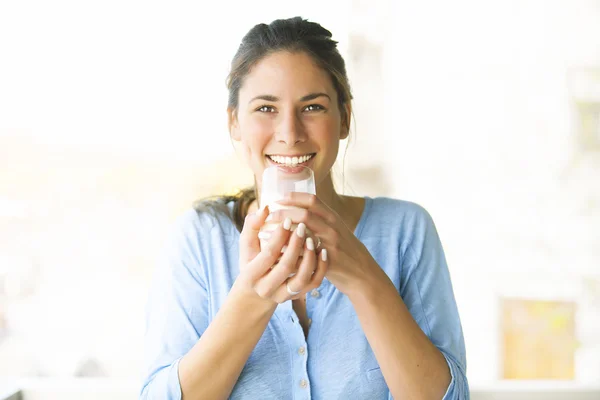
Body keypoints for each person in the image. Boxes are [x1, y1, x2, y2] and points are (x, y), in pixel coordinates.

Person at [140, 16, 469, 400]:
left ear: (344, 117)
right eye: (265, 109)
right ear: (235, 123)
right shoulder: (199, 238)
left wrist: (364, 278)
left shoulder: (406, 231)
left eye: (312, 107)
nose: (290, 133)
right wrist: (254, 298)